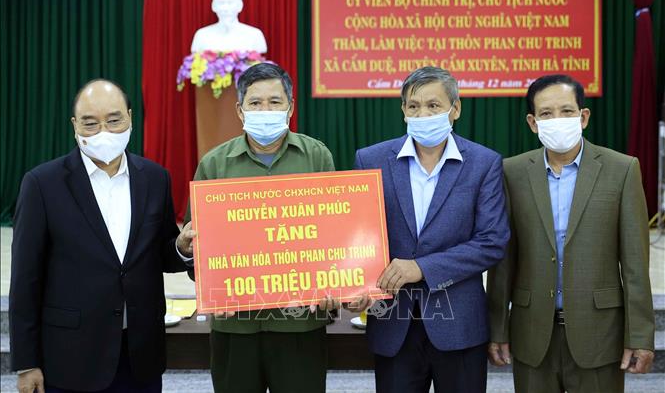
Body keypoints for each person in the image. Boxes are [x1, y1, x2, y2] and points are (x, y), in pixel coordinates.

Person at [9, 79, 196, 393]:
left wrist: (180, 248)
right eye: (90, 123)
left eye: (113, 120)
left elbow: (160, 254)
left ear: (130, 118)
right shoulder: (42, 184)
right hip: (71, 356)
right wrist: (27, 363)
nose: (104, 132)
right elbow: (25, 280)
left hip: (140, 353)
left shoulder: (155, 178)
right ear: (74, 125)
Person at [487, 74, 655, 392]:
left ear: (583, 116)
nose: (557, 120)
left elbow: (635, 264)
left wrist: (640, 336)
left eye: (566, 111)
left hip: (600, 334)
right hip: (532, 333)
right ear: (533, 123)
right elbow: (503, 261)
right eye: (546, 113)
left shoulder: (622, 170)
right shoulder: (512, 172)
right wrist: (497, 328)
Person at [349, 66, 510, 393]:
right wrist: (352, 284)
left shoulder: (484, 163)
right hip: (393, 322)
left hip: (460, 325)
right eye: (414, 106)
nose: (422, 114)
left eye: (433, 105)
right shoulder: (370, 160)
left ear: (455, 109)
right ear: (403, 110)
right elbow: (358, 236)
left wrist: (421, 268)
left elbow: (491, 242)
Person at [185, 62, 337, 393]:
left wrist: (337, 284)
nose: (265, 110)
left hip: (300, 324)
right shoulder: (214, 164)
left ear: (290, 108)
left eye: (274, 102)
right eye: (255, 103)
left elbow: (333, 238)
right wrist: (188, 249)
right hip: (234, 325)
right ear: (240, 111)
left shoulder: (316, 157)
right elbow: (195, 254)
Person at [190, 0, 267, 53]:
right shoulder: (201, 36)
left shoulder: (255, 35)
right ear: (213, 6)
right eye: (221, 3)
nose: (225, 8)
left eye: (230, 3)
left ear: (240, 6)